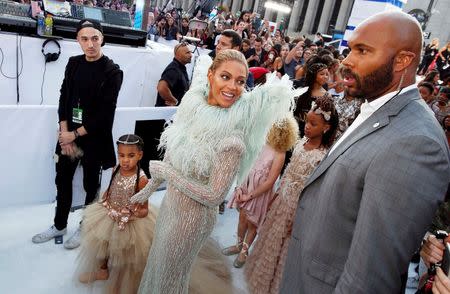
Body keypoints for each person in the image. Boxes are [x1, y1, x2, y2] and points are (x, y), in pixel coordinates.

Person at [280, 11, 450, 294]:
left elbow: (369, 278)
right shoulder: (375, 108)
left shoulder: (417, 143)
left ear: (402, 60)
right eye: (350, 49)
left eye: (363, 50)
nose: (346, 61)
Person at [130, 50, 300, 294]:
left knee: (169, 280)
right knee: (156, 268)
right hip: (170, 207)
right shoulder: (193, 110)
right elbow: (172, 157)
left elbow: (214, 196)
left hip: (192, 220)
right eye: (225, 77)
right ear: (210, 75)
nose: (233, 87)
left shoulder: (232, 139)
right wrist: (146, 191)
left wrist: (168, 174)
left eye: (240, 81)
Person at [32, 19, 123, 249]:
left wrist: (75, 134)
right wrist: (64, 133)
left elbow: (105, 115)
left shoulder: (113, 72)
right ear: (78, 41)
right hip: (68, 135)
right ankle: (59, 224)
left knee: (90, 185)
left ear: (102, 38)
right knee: (62, 180)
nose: (90, 44)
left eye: (94, 38)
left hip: (93, 138)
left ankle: (87, 227)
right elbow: (64, 97)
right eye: (84, 39)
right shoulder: (73, 63)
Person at [246, 96, 338, 294]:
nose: (307, 126)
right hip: (281, 201)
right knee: (269, 242)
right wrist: (275, 194)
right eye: (307, 121)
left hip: (297, 208)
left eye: (314, 124)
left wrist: (301, 216)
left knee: (285, 250)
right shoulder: (300, 143)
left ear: (326, 128)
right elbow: (287, 173)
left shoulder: (323, 156)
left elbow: (316, 191)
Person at [223, 116, 299, 268]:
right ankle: (238, 244)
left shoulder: (280, 153)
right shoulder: (261, 143)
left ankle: (244, 251)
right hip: (247, 185)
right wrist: (239, 187)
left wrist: (250, 195)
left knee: (253, 223)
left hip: (259, 193)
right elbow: (246, 164)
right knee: (242, 218)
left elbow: (270, 181)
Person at [293, 55, 331, 137]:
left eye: (326, 74)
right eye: (321, 74)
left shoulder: (326, 93)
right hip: (296, 129)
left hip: (311, 133)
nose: (325, 77)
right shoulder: (300, 88)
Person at [155, 42, 192, 107]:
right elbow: (161, 87)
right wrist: (174, 101)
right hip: (165, 114)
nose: (191, 55)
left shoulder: (180, 67)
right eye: (187, 53)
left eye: (190, 52)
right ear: (178, 55)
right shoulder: (173, 69)